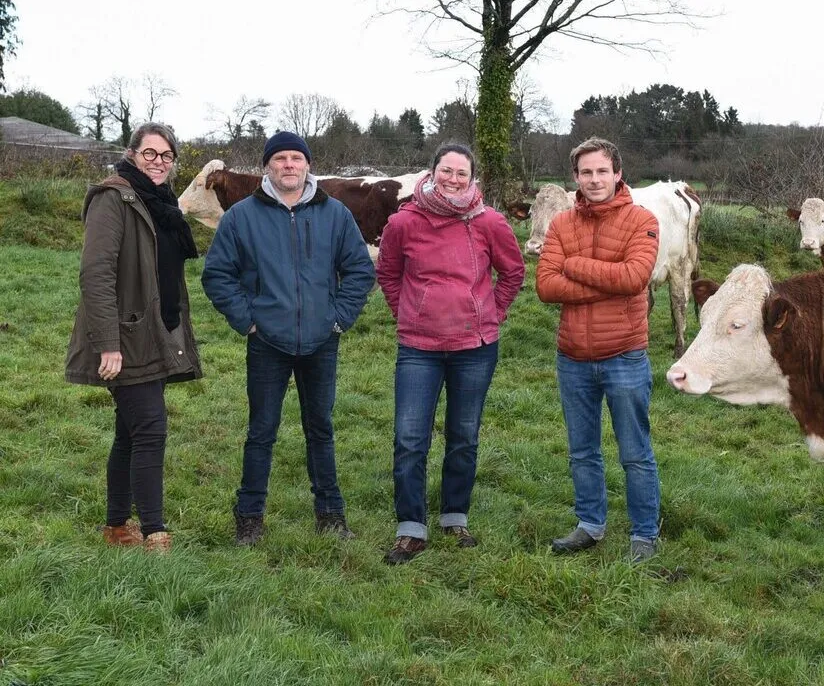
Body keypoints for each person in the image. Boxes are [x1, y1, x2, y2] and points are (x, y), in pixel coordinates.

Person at [201, 131, 375, 546]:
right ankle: (249, 517)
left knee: (321, 428)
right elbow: (217, 275)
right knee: (261, 430)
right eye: (280, 158)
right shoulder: (242, 216)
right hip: (267, 342)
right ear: (267, 166)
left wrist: (338, 318)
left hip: (321, 341)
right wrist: (249, 321)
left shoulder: (334, 214)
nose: (289, 165)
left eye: (297, 158)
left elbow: (360, 271)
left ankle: (330, 514)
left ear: (308, 165)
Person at [375, 142, 525, 565]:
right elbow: (387, 272)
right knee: (409, 437)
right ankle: (411, 528)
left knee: (463, 435)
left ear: (472, 178)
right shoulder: (404, 222)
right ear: (432, 171)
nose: (453, 178)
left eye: (461, 172)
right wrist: (405, 310)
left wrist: (493, 311)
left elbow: (513, 271)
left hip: (474, 347)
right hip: (418, 347)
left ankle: (455, 516)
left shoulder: (489, 221)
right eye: (446, 170)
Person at [66, 122, 203, 555]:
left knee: (130, 432)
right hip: (124, 338)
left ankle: (115, 527)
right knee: (150, 429)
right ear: (132, 154)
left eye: (166, 156)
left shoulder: (162, 202)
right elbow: (96, 273)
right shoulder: (113, 197)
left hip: (156, 332)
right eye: (150, 153)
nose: (158, 162)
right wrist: (108, 343)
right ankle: (154, 533)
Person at [535, 137, 663, 563]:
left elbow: (633, 278)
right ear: (576, 176)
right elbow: (545, 286)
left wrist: (572, 266)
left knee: (634, 452)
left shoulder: (642, 219)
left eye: (601, 171)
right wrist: (599, 280)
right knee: (582, 449)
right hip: (573, 357)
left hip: (624, 355)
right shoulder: (561, 224)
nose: (594, 180)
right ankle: (590, 523)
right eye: (586, 172)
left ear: (617, 173)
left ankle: (644, 534)